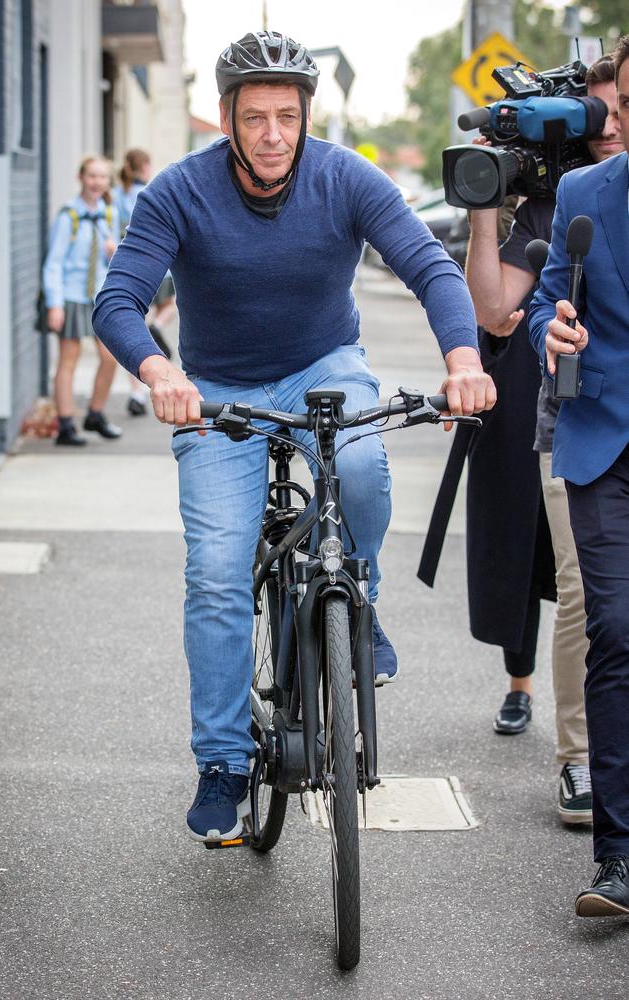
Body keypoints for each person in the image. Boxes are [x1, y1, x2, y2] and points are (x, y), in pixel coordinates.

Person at [93, 31, 496, 843]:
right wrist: (160, 374)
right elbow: (118, 300)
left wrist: (462, 360)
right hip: (216, 389)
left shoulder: (345, 176)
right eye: (255, 117)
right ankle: (221, 761)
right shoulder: (178, 192)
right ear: (226, 119)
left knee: (363, 467)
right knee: (215, 571)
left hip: (323, 366)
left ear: (307, 117)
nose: (273, 133)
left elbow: (431, 267)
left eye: (287, 116)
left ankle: (362, 597)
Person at [460, 55, 622, 823]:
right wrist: (485, 197)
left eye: (617, 109)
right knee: (586, 595)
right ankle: (580, 763)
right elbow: (495, 312)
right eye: (597, 113)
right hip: (576, 426)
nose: (609, 125)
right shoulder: (561, 200)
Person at [528, 35, 629, 915]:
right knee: (618, 630)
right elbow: (545, 296)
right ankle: (619, 859)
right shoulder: (582, 193)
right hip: (605, 441)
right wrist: (550, 329)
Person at [42, 155, 122, 445]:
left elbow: (111, 260)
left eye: (102, 177)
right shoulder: (68, 217)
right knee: (69, 361)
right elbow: (53, 263)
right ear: (81, 178)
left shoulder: (109, 214)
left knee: (111, 357)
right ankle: (65, 425)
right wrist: (55, 304)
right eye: (92, 176)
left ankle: (95, 414)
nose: (97, 182)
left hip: (98, 294)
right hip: (73, 296)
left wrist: (114, 252)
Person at [111, 148, 178, 416]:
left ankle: (137, 392)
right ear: (146, 166)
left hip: (130, 267)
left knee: (134, 326)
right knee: (170, 305)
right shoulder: (151, 192)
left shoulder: (117, 197)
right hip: (159, 269)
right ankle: (158, 326)